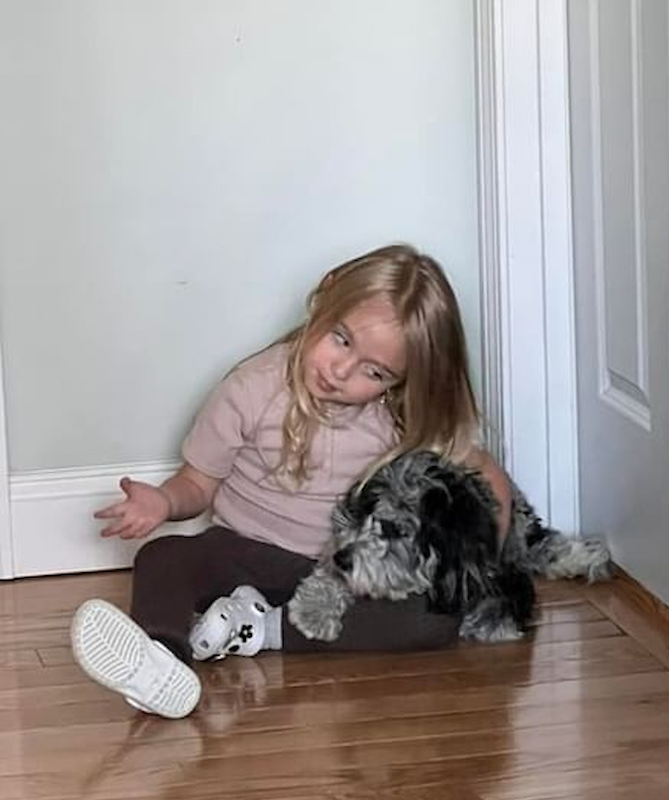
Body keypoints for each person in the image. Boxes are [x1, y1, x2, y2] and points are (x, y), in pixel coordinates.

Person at [70, 244, 512, 718]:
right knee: (163, 557)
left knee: (433, 619)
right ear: (325, 294)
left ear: (400, 381)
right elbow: (197, 484)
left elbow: (487, 478)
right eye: (341, 339)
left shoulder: (399, 418)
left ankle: (263, 630)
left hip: (340, 576)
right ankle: (161, 661)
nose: (341, 371)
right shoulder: (251, 387)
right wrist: (162, 501)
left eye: (374, 372)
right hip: (241, 554)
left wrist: (484, 558)